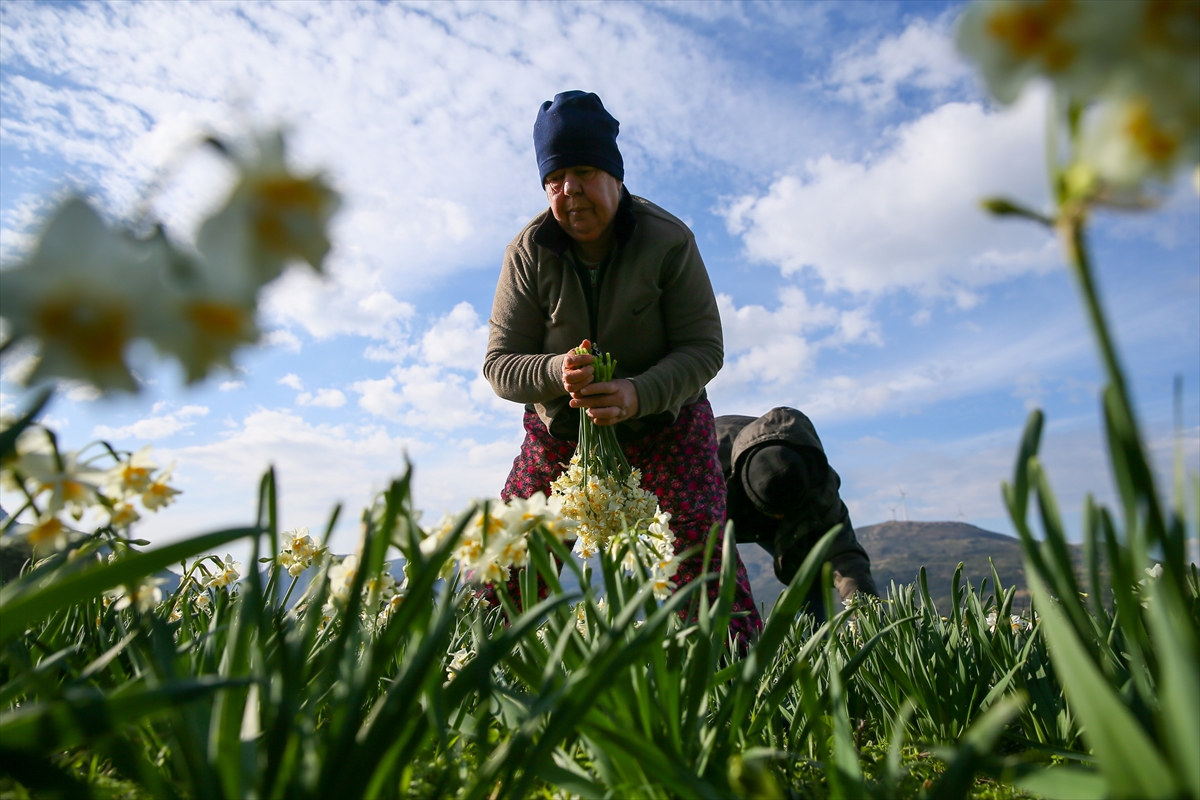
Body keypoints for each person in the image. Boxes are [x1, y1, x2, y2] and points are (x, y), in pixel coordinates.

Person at [484, 90, 762, 642]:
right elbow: (499, 365)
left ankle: (738, 678)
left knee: (700, 561)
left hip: (666, 429)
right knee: (510, 561)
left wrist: (637, 393)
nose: (569, 191)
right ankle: (481, 670)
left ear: (614, 174)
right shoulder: (528, 251)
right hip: (561, 439)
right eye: (554, 178)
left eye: (583, 171)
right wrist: (556, 371)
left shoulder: (668, 240)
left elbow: (704, 348)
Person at [716, 407, 878, 620]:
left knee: (807, 575)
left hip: (785, 513)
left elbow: (845, 557)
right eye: (774, 514)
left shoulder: (817, 484)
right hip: (710, 512)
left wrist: (868, 621)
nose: (779, 519)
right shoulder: (705, 464)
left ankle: (814, 645)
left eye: (782, 515)